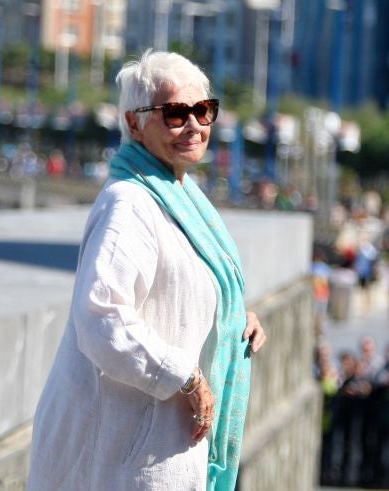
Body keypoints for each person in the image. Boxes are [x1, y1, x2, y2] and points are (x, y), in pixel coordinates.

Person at [26, 50, 267, 491]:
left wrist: (232, 321)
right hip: (123, 457)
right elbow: (102, 317)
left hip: (158, 447)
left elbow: (179, 290)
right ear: (134, 123)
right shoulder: (130, 204)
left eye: (203, 110)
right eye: (175, 113)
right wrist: (186, 377)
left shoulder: (181, 199)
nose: (194, 124)